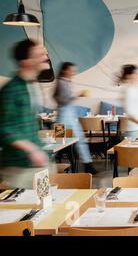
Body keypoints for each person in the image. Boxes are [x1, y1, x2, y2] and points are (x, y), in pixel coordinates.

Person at [0, 39, 54, 188]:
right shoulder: (12, 90)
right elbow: (3, 129)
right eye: (39, 54)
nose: (45, 57)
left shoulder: (31, 85)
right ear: (26, 61)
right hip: (19, 167)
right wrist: (32, 150)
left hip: (36, 162)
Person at [53, 62, 97, 175]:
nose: (74, 72)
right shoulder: (62, 82)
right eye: (71, 70)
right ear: (65, 70)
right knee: (60, 143)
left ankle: (88, 165)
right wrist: (78, 95)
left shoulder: (63, 82)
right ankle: (88, 165)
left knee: (60, 142)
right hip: (65, 116)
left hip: (66, 115)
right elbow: (63, 100)